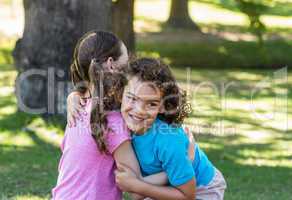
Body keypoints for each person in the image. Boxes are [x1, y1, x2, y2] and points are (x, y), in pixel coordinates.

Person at [52, 31, 168, 200]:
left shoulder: (80, 107)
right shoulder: (112, 122)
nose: (130, 66)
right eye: (126, 60)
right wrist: (180, 166)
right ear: (111, 64)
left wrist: (74, 95)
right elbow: (136, 190)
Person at [115, 58, 227, 200]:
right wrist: (76, 96)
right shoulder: (119, 121)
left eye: (151, 104)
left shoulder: (168, 141)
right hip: (169, 182)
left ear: (162, 106)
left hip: (202, 189)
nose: (139, 111)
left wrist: (137, 187)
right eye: (132, 98)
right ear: (120, 94)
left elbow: (187, 196)